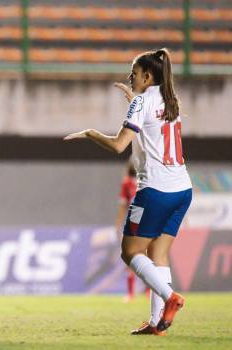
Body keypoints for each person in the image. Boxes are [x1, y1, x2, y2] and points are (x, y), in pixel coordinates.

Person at [64, 48, 192, 335]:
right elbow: (153, 127)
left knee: (130, 251)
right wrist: (137, 101)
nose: (129, 77)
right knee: (157, 254)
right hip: (182, 189)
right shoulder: (172, 101)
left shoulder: (141, 103)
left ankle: (171, 298)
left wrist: (90, 133)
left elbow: (119, 145)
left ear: (147, 76)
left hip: (156, 190)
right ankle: (158, 323)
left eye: (133, 73)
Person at [116, 160, 138, 302]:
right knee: (131, 256)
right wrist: (118, 224)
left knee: (150, 256)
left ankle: (149, 291)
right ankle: (130, 293)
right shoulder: (127, 183)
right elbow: (124, 205)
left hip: (149, 221)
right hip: (133, 222)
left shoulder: (149, 178)